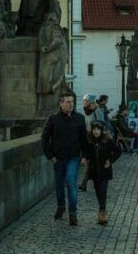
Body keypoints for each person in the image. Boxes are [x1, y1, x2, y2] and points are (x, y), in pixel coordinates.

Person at [41, 92, 89, 226]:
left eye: (72, 102)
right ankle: (61, 207)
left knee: (71, 183)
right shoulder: (53, 119)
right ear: (61, 104)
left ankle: (73, 213)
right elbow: (44, 138)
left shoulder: (79, 118)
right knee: (59, 186)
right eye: (67, 102)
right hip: (58, 158)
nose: (70, 104)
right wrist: (50, 156)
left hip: (73, 157)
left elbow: (84, 139)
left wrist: (85, 156)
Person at [88, 120, 120, 225]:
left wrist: (110, 161)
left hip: (105, 171)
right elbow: (85, 151)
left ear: (101, 130)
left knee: (103, 191)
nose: (96, 132)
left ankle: (102, 212)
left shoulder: (107, 140)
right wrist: (84, 158)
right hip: (94, 170)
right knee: (98, 192)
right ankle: (101, 209)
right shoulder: (90, 140)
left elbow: (117, 151)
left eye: (98, 129)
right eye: (94, 129)